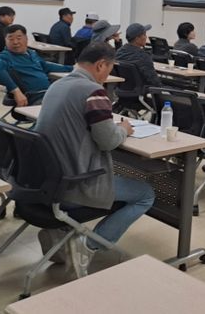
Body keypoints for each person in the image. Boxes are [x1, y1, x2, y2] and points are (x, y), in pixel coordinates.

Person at [35, 43, 155, 277]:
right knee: (145, 194)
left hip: (47, 181)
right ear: (101, 65)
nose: (108, 76)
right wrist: (124, 129)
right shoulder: (94, 92)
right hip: (75, 183)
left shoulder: (56, 85)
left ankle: (59, 233)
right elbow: (108, 141)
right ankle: (90, 244)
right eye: (109, 69)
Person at [0, 24, 71, 106]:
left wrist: (72, 68)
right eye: (11, 39)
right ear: (5, 41)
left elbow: (46, 66)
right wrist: (16, 92)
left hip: (48, 93)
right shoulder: (4, 57)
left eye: (19, 38)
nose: (15, 42)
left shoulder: (32, 53)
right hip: (35, 97)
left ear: (26, 38)